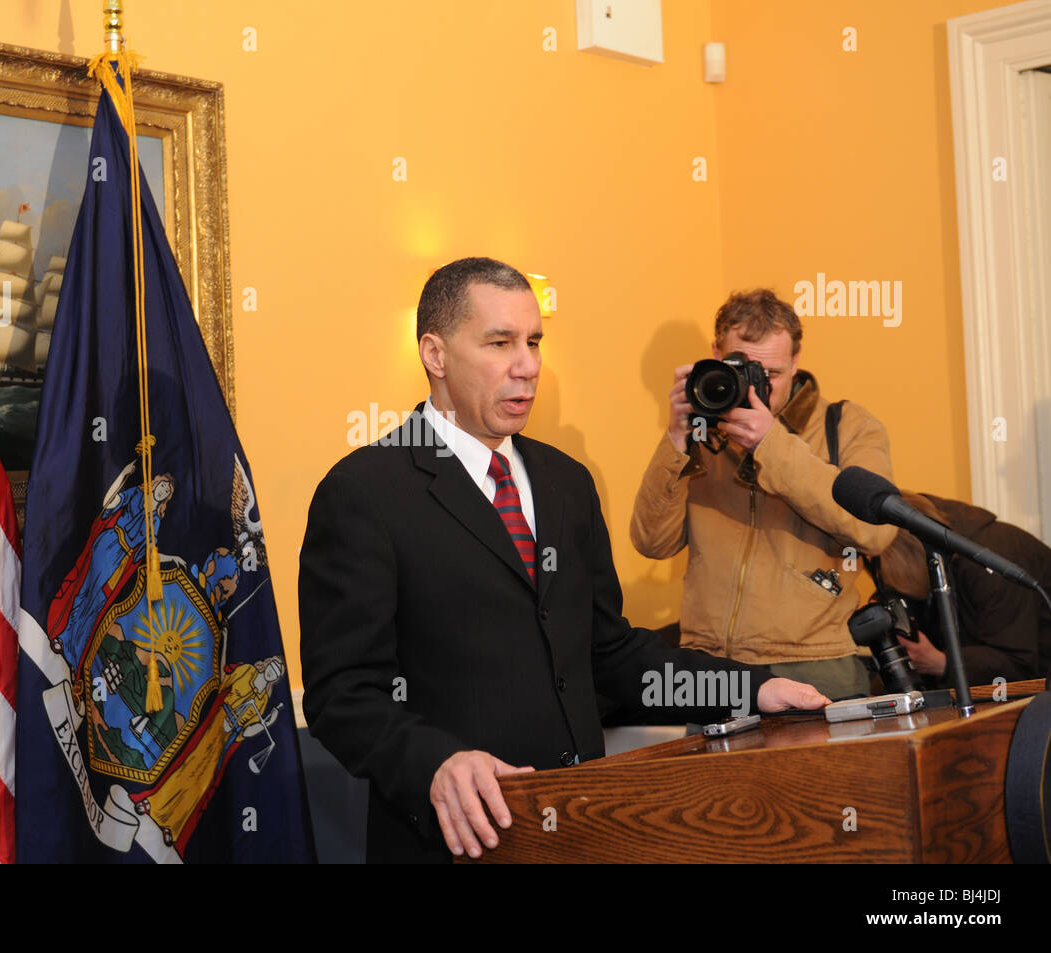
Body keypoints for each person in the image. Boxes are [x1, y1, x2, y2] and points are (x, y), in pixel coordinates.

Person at [299, 259, 828, 864]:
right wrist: (436, 764)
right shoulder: (364, 491)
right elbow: (343, 695)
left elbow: (608, 654)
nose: (527, 366)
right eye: (499, 343)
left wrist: (752, 689)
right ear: (435, 354)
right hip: (451, 844)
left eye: (533, 342)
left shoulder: (565, 482)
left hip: (579, 831)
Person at [629, 289, 896, 700]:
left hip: (814, 662)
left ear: (796, 358)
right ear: (716, 352)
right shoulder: (702, 431)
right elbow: (651, 542)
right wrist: (676, 438)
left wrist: (770, 443)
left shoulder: (848, 427)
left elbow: (874, 532)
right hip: (709, 668)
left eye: (770, 374)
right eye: (742, 367)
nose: (758, 386)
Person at [876, 492, 1051, 686]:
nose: (887, 581)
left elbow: (1019, 662)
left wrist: (940, 662)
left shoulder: (994, 558)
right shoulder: (940, 556)